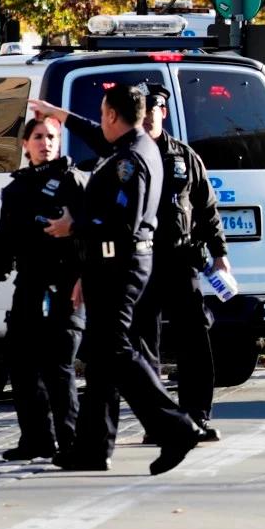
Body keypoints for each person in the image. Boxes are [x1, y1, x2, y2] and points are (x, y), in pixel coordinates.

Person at [28, 87, 201, 475]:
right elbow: (94, 134)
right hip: (109, 263)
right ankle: (92, 447)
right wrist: (61, 113)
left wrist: (76, 225)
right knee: (101, 356)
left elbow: (123, 223)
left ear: (111, 115)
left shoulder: (130, 160)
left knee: (115, 350)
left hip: (119, 263)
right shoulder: (129, 143)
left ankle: (175, 426)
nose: (98, 121)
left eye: (102, 112)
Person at [0, 117, 86, 461]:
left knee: (58, 364)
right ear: (25, 144)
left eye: (51, 137)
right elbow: (3, 242)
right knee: (21, 363)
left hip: (66, 284)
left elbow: (96, 230)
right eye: (38, 137)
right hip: (30, 284)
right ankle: (36, 439)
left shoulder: (74, 181)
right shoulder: (16, 189)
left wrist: (85, 274)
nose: (45, 143)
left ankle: (70, 441)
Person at [133, 85, 227, 444]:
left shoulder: (184, 158)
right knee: (144, 344)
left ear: (164, 112)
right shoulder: (128, 157)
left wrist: (220, 256)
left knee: (194, 340)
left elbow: (207, 210)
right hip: (141, 263)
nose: (148, 115)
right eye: (142, 108)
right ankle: (156, 420)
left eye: (154, 108)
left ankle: (196, 416)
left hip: (180, 260)